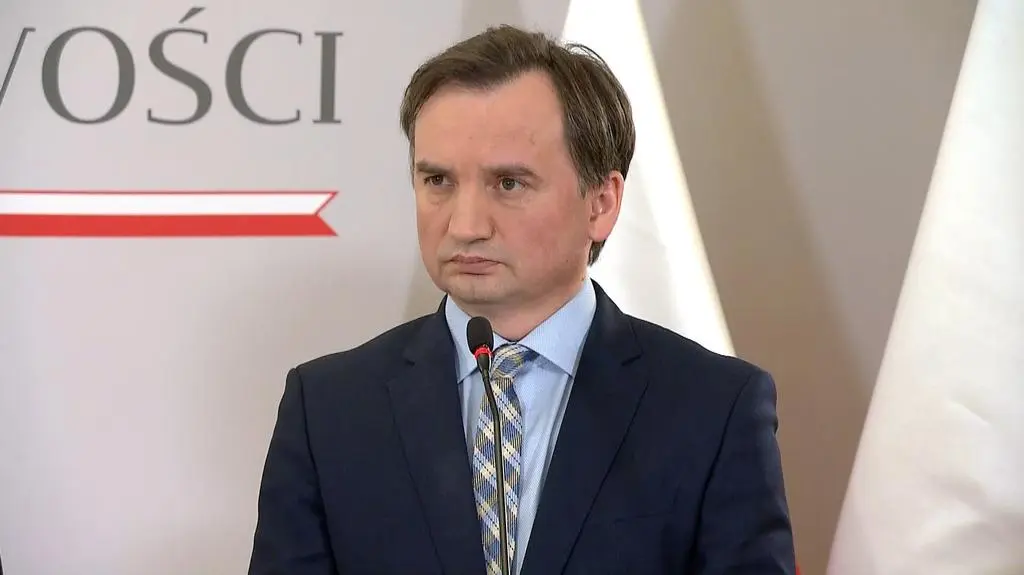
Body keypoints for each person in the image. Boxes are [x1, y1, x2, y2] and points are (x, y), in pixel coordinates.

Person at [248, 24, 796, 575]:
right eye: (438, 181)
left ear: (601, 203)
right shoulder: (328, 410)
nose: (465, 225)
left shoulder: (714, 408)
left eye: (508, 183)